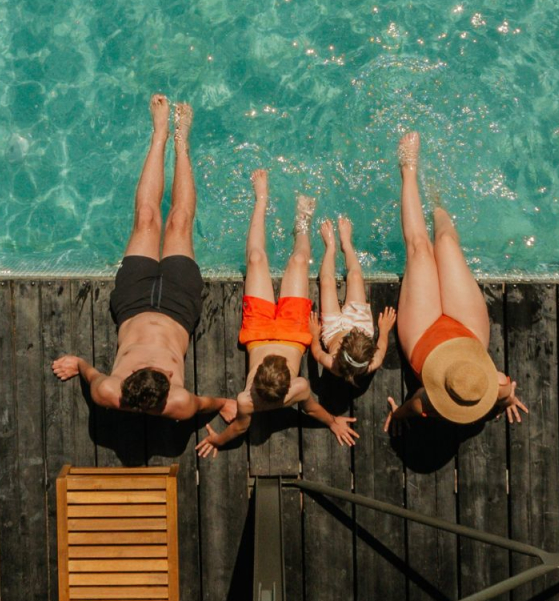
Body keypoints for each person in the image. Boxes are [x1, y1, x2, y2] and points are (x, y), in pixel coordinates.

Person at [52, 95, 235, 422]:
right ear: (169, 381)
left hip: (133, 302)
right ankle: (181, 144)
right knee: (179, 221)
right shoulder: (178, 402)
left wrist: (77, 363)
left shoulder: (108, 392)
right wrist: (225, 404)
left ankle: (160, 134)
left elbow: (91, 373)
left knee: (146, 217)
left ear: (127, 377)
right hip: (179, 307)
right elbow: (208, 402)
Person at [195, 170, 359, 457]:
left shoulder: (246, 400)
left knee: (256, 260)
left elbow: (238, 429)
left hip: (257, 332)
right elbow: (312, 409)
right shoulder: (299, 386)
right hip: (293, 333)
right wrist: (333, 422)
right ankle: (302, 224)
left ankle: (261, 200)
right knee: (298, 262)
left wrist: (217, 441)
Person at [383, 131, 528, 432]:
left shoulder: (429, 402)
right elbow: (505, 391)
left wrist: (396, 415)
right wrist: (507, 401)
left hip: (423, 338)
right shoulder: (497, 387)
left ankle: (408, 172)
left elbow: (409, 409)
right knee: (447, 242)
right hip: (468, 334)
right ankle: (436, 200)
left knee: (420, 250)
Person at [308, 215, 396, 387]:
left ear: (339, 353)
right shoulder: (374, 362)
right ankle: (346, 245)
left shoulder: (333, 364)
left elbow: (317, 352)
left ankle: (330, 248)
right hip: (359, 323)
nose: (349, 333)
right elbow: (383, 347)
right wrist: (383, 330)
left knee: (327, 282)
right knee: (355, 276)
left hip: (332, 331)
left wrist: (314, 335)